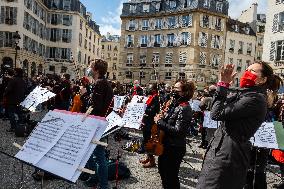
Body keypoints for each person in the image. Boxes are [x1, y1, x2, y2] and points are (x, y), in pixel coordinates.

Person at [197, 62, 282, 189]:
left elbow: (216, 113)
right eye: (247, 69)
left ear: (262, 79)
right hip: (221, 151)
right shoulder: (246, 93)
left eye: (252, 71)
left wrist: (223, 85)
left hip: (228, 156)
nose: (246, 72)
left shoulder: (255, 98)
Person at [154, 80, 194, 189]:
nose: (173, 91)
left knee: (170, 177)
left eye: (176, 89)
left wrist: (160, 122)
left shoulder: (184, 108)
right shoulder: (175, 104)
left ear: (184, 93)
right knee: (163, 173)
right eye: (173, 88)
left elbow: (178, 131)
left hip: (174, 148)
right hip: (166, 145)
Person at [84, 59, 113, 189]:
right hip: (98, 122)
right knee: (91, 153)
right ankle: (95, 178)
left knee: (99, 156)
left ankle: (103, 185)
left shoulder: (100, 83)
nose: (88, 68)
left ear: (96, 69)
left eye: (90, 66)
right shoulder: (102, 83)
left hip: (97, 124)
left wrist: (85, 96)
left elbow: (97, 106)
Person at [139, 83, 160, 167]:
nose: (148, 89)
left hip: (150, 123)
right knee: (145, 140)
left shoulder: (156, 98)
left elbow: (153, 110)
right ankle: (148, 157)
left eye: (150, 88)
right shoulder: (151, 97)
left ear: (154, 90)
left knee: (148, 141)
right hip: (146, 121)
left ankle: (152, 161)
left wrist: (144, 109)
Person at [3, 68, 27, 132]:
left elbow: (8, 90)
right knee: (19, 113)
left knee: (11, 113)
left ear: (16, 72)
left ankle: (13, 127)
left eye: (15, 71)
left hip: (11, 100)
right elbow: (25, 89)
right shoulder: (22, 80)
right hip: (19, 100)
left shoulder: (13, 80)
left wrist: (4, 94)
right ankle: (21, 125)